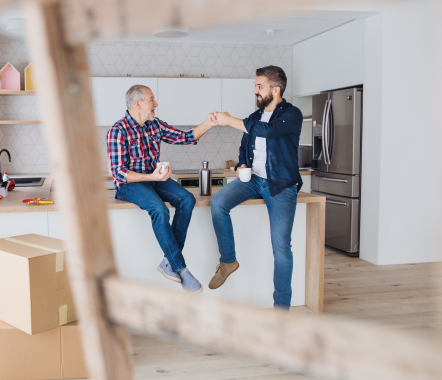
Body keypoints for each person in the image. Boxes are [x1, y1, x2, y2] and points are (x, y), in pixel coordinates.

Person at [107, 85, 218, 294]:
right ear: (138, 103)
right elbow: (119, 172)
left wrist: (208, 123)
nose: (155, 104)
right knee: (159, 209)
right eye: (151, 99)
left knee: (187, 199)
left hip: (154, 178)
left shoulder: (154, 124)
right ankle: (180, 268)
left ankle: (168, 261)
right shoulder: (118, 130)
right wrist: (152, 176)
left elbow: (185, 137)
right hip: (129, 185)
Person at [209, 65, 303, 310]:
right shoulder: (254, 116)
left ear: (276, 89)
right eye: (255, 86)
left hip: (280, 184)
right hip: (253, 180)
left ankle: (281, 309)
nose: (255, 91)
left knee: (281, 247)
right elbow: (245, 144)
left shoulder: (292, 114)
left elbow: (268, 131)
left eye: (259, 86)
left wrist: (230, 120)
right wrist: (241, 163)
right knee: (218, 204)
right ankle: (228, 261)